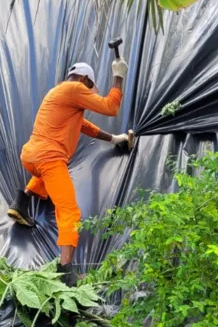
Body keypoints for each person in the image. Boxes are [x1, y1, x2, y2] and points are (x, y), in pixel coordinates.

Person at [8, 58, 132, 285]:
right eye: (89, 89)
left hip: (31, 156)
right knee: (70, 212)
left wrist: (114, 138)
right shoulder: (75, 89)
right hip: (49, 158)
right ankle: (67, 272)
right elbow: (110, 107)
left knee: (48, 173)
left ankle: (21, 202)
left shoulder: (59, 94)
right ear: (84, 80)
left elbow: (85, 127)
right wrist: (118, 76)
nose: (88, 95)